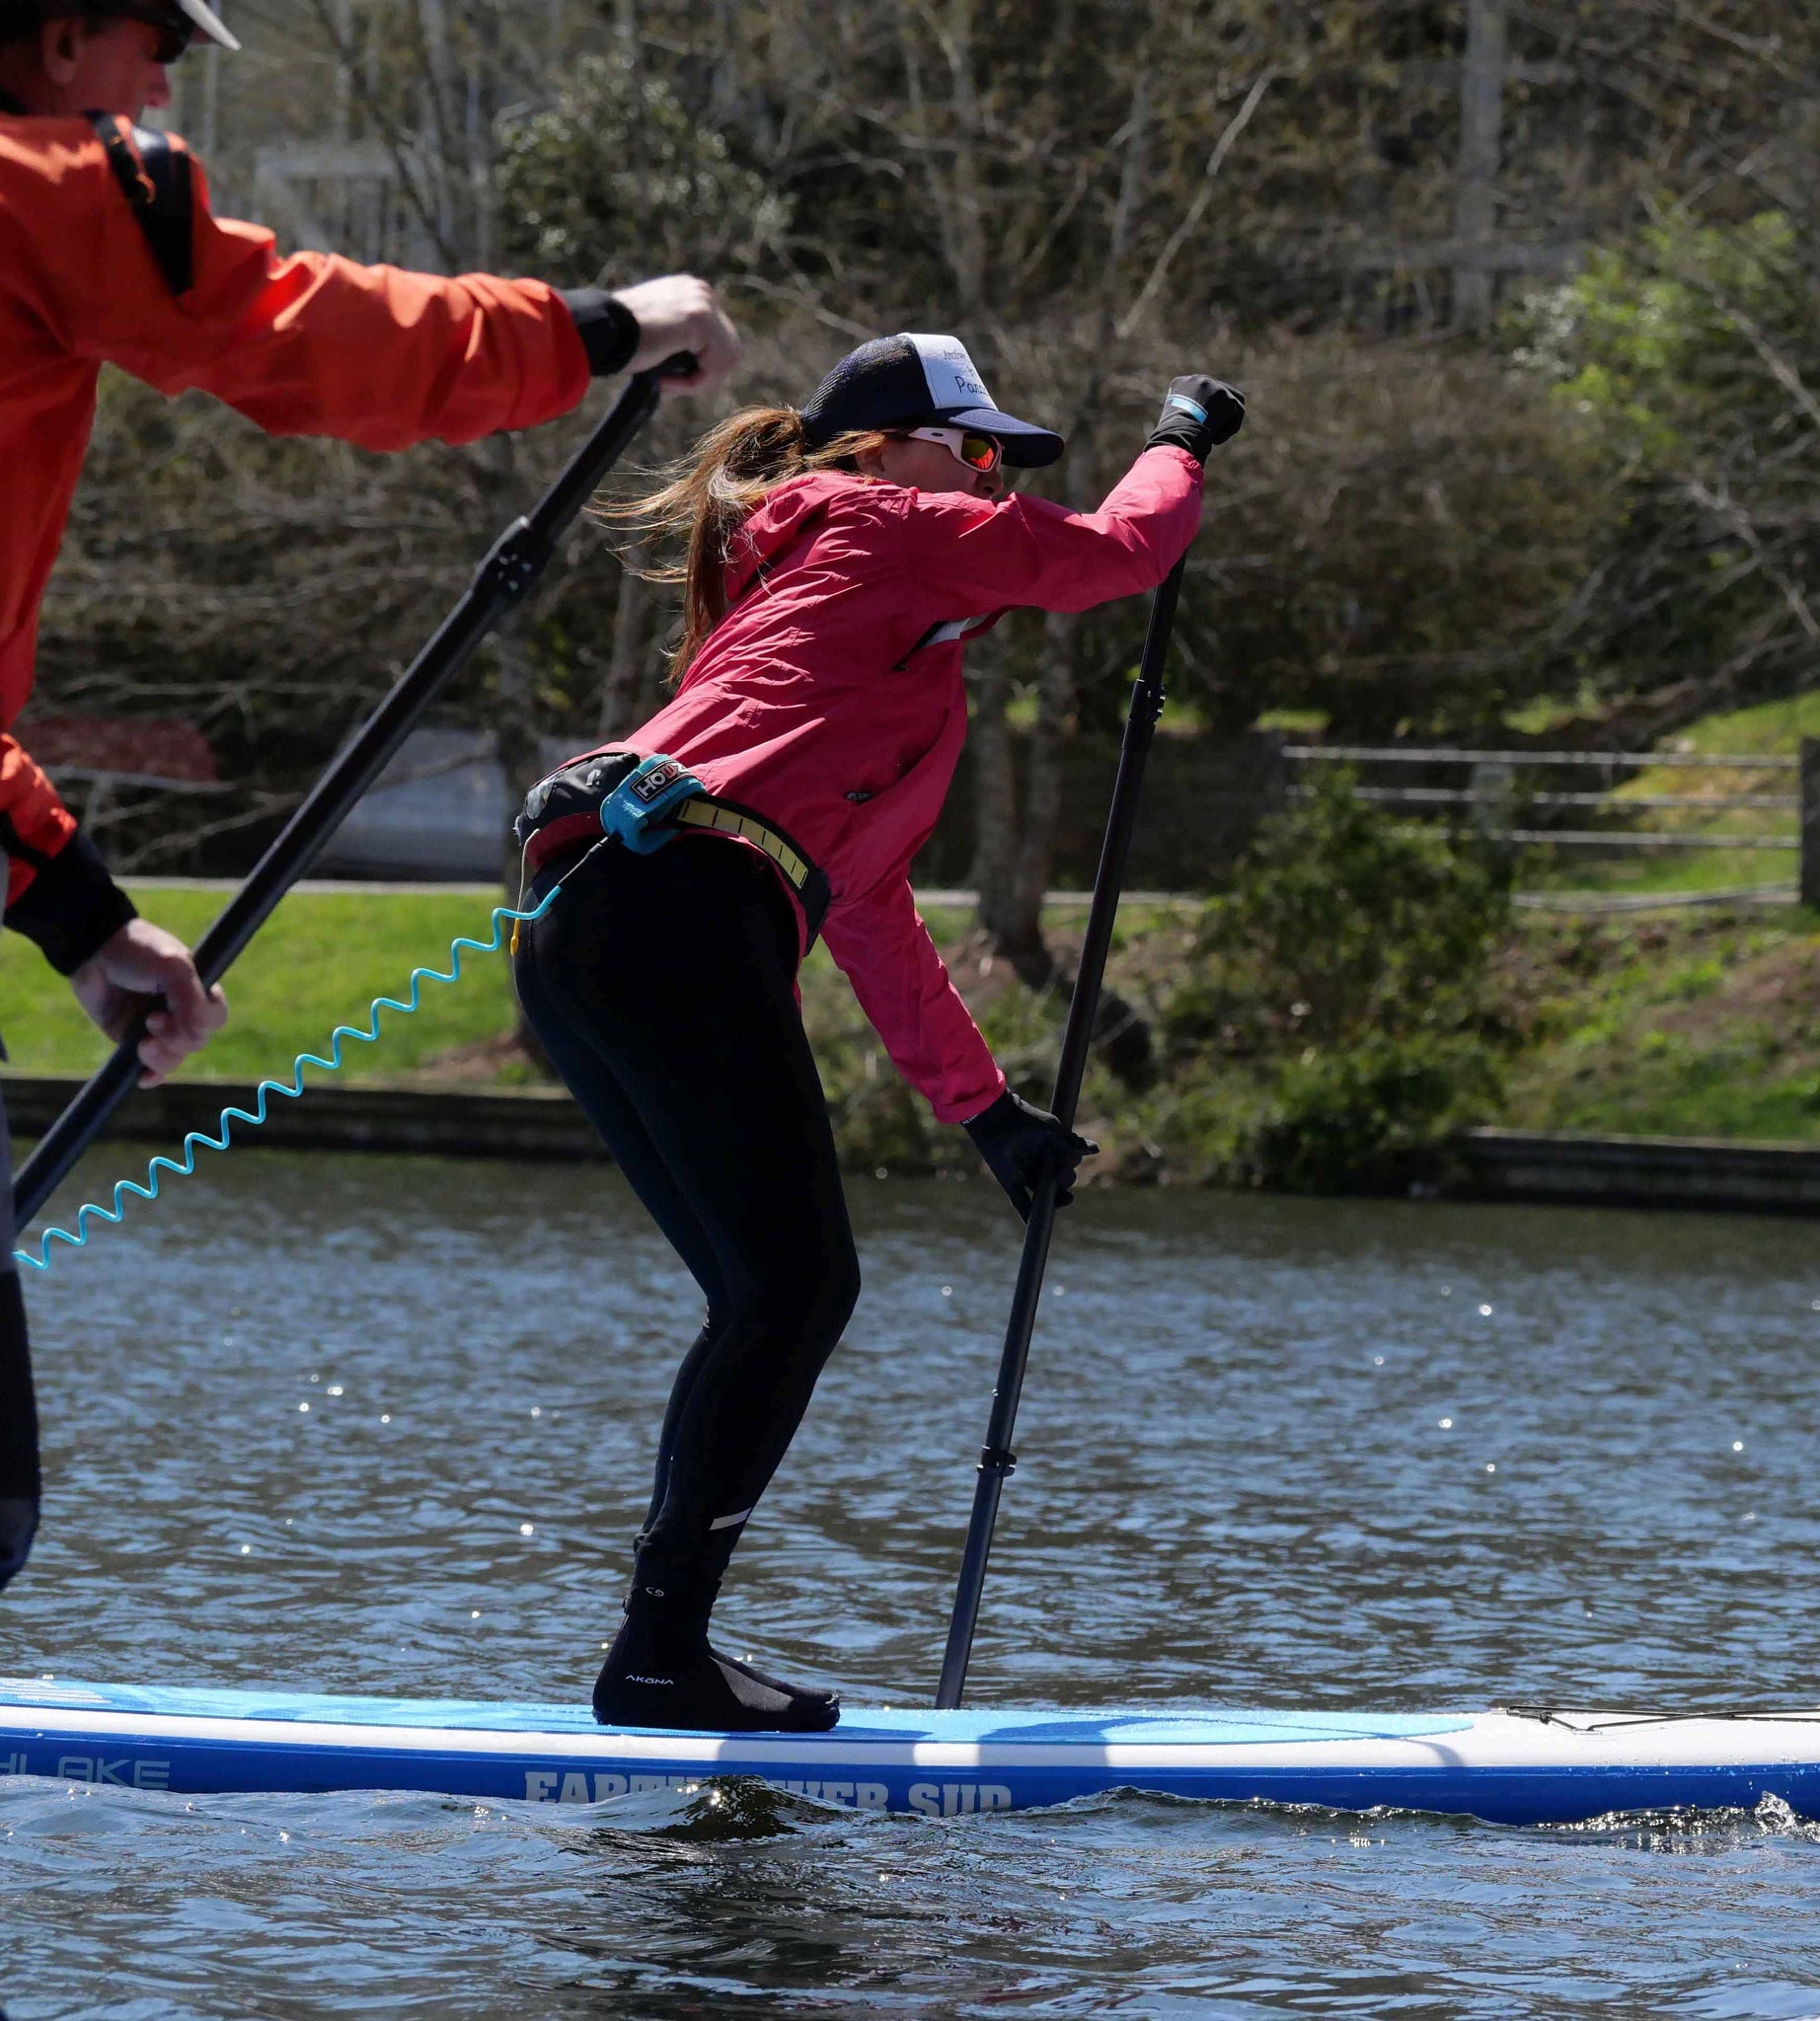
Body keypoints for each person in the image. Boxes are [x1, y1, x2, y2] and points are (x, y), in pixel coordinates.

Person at [0, 0, 745, 1596]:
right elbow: (300, 335)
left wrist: (77, 914)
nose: (167, 83)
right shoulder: (49, 186)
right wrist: (603, 329)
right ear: (60, 40)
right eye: (156, 40)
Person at [511, 331, 1244, 1731]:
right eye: (970, 451)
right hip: (672, 915)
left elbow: (871, 916)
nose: (985, 484)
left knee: (771, 1296)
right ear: (882, 448)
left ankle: (660, 1651)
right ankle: (658, 1654)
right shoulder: (878, 524)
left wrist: (988, 1115)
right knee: (792, 1294)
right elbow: (1120, 553)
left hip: (592, 936)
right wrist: (1179, 445)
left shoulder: (870, 651)